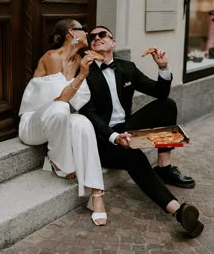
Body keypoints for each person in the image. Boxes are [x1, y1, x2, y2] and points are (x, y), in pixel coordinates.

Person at [80, 25, 204, 237]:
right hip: (101, 139)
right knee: (133, 155)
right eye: (92, 37)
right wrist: (114, 137)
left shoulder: (127, 67)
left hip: (127, 128)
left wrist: (163, 68)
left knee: (167, 104)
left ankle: (164, 167)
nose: (96, 38)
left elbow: (159, 91)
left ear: (113, 42)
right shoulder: (85, 73)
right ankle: (177, 210)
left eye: (102, 34)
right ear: (90, 46)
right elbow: (88, 113)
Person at [18, 18, 107, 226]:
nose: (87, 33)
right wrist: (82, 75)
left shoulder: (79, 61)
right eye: (83, 30)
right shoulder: (52, 58)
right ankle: (59, 160)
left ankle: (97, 194)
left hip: (60, 119)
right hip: (33, 125)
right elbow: (60, 101)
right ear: (71, 33)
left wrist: (89, 68)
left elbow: (75, 105)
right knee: (60, 108)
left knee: (83, 123)